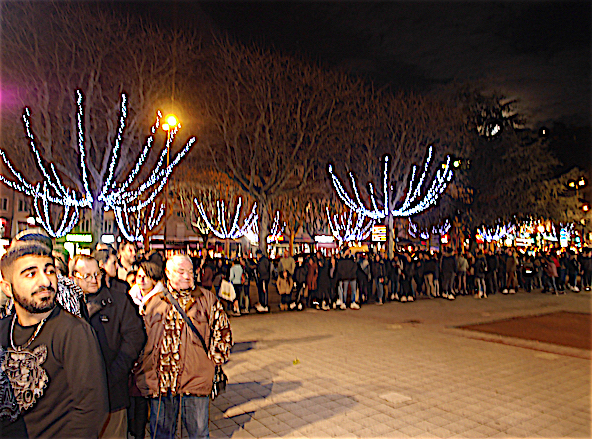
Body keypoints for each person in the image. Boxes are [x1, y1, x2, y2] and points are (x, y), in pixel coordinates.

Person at [0, 241, 108, 438]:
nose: (46, 281)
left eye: (49, 271)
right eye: (31, 274)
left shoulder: (73, 331)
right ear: (8, 288)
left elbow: (91, 410)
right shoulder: (3, 329)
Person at [135, 255, 232, 439]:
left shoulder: (206, 299)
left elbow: (223, 331)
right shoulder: (154, 302)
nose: (187, 276)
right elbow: (140, 338)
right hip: (162, 383)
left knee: (198, 433)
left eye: (190, 272)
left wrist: (212, 362)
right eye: (181, 272)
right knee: (161, 433)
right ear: (168, 273)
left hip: (195, 380)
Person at [71, 255, 146, 438]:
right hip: (76, 399)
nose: (94, 280)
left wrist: (115, 372)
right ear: (74, 277)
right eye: (87, 275)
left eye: (97, 274)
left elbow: (135, 338)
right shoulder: (66, 307)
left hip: (113, 393)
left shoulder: (119, 301)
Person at [127, 257, 166, 439]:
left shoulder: (161, 301)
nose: (141, 280)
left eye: (146, 277)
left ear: (155, 279)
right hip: (134, 361)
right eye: (139, 276)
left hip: (152, 361)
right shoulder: (130, 299)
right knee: (136, 403)